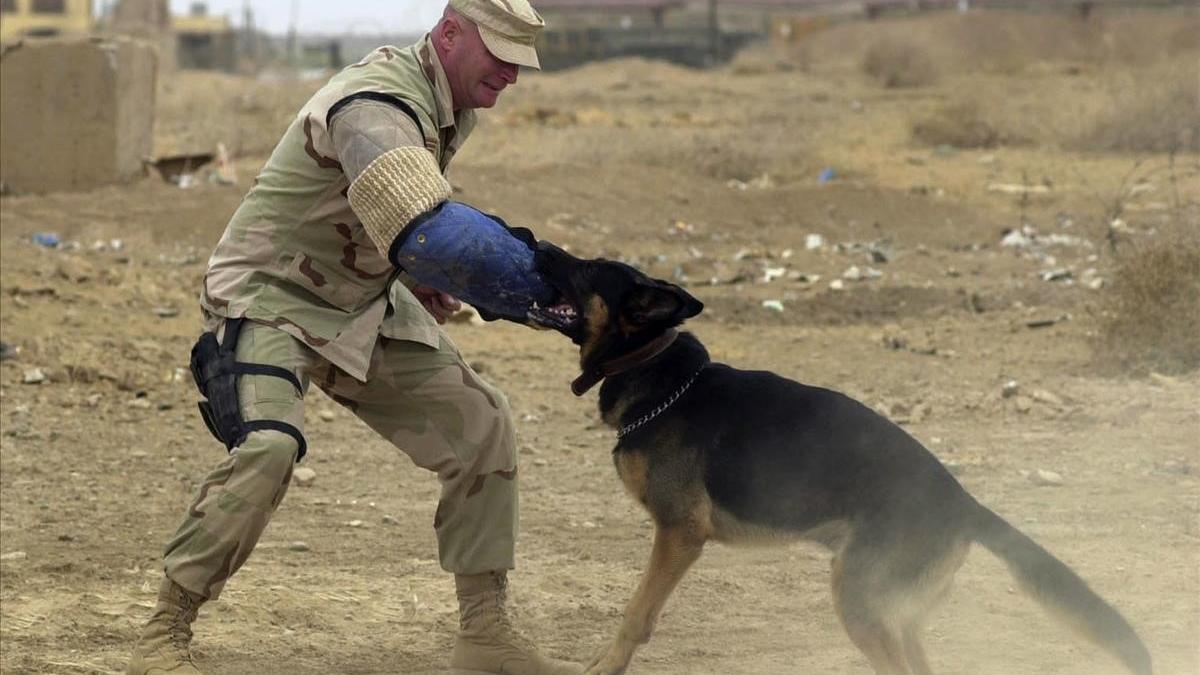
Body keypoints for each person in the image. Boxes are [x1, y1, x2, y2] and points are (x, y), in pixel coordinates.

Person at [126, 2, 580, 674]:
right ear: (451, 34)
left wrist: (410, 273)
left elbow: (383, 213)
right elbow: (425, 222)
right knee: (270, 447)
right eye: (501, 56)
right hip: (270, 294)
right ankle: (164, 633)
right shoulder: (376, 100)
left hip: (359, 298)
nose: (512, 76)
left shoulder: (451, 102)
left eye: (521, 61)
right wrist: (560, 293)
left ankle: (485, 633)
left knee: (482, 426)